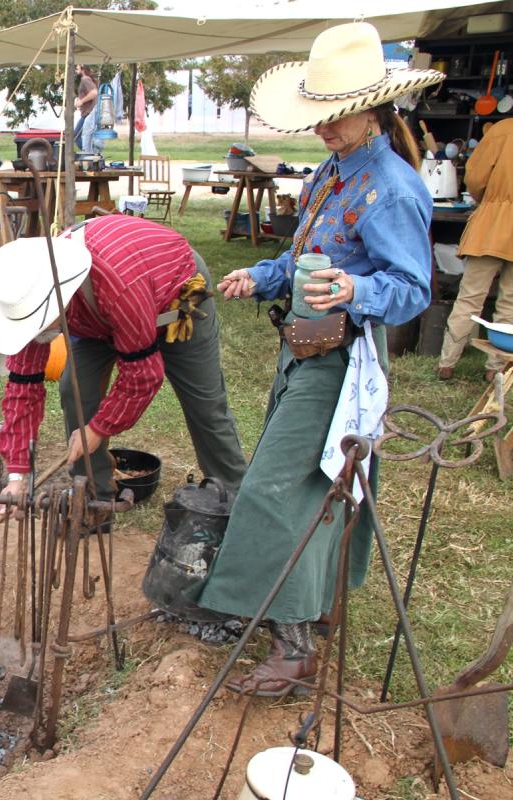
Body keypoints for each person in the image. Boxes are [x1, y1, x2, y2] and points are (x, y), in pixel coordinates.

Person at [198, 22, 442, 696]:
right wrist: (265, 275)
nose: (326, 131)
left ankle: (296, 647)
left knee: (280, 488)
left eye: (338, 119)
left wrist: (358, 289)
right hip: (302, 352)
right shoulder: (332, 174)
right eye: (322, 119)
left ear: (376, 109)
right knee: (322, 486)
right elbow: (305, 258)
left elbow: (413, 289)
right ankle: (318, 606)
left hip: (343, 363)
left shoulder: (391, 188)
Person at [0, 214, 248, 511]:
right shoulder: (28, 296)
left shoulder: (117, 287)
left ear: (58, 301)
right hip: (96, 314)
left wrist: (99, 428)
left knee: (205, 404)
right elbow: (23, 390)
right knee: (76, 391)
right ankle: (93, 500)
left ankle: (234, 500)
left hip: (173, 295)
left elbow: (142, 377)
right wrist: (19, 474)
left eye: (40, 325)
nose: (35, 334)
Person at [436, 117, 513, 383]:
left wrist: (489, 201)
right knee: (510, 302)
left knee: (470, 297)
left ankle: (447, 363)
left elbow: (476, 177)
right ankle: (497, 369)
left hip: (492, 224)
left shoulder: (502, 130)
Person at [74, 65, 99, 154]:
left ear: (83, 69)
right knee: (86, 137)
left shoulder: (85, 79)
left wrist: (82, 101)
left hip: (88, 114)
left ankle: (89, 154)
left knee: (76, 136)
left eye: (77, 68)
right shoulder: (85, 80)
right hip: (87, 113)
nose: (75, 70)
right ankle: (91, 154)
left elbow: (94, 93)